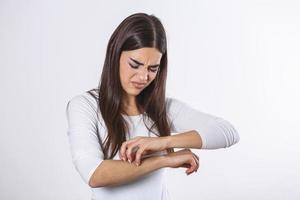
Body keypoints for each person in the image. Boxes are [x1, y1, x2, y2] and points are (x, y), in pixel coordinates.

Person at [65, 12, 240, 200]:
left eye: (152, 69)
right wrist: (163, 159)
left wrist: (163, 142)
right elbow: (94, 174)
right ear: (115, 55)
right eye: (135, 64)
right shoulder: (85, 106)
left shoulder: (161, 108)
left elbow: (227, 132)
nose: (143, 77)